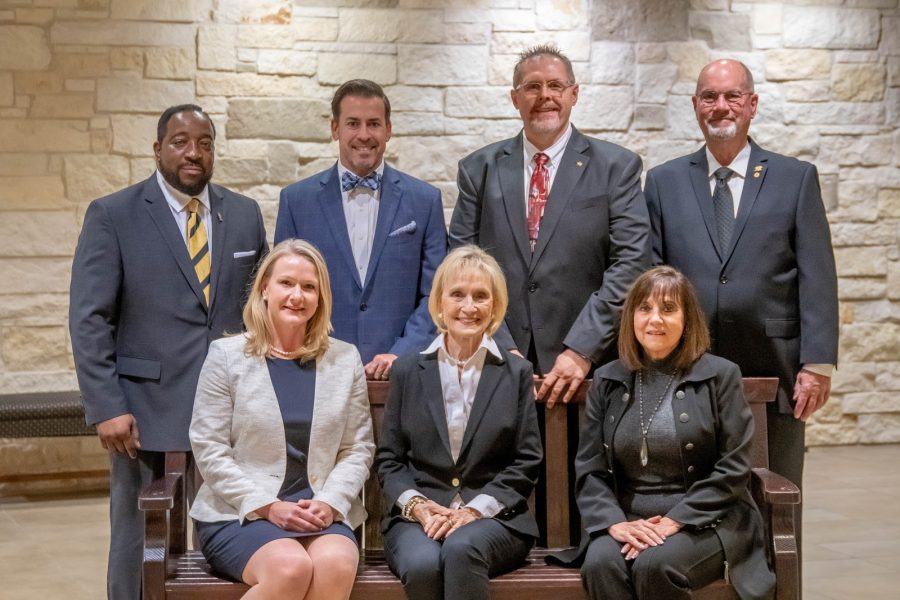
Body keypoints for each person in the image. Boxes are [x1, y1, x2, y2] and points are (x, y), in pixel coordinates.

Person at [68, 104, 268, 599]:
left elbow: (258, 310)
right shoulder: (113, 215)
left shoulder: (243, 215)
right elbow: (90, 319)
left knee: (228, 530)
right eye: (180, 141)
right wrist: (107, 406)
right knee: (138, 540)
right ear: (158, 149)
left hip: (233, 407)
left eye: (204, 142)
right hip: (144, 408)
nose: (193, 152)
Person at [644, 59, 839, 489]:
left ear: (752, 104)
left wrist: (818, 364)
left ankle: (776, 561)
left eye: (732, 96)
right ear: (695, 106)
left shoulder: (795, 178)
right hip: (688, 368)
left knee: (777, 493)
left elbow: (817, 274)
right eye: (709, 97)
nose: (721, 106)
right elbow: (653, 279)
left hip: (776, 366)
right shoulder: (663, 182)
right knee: (695, 493)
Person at [450, 44, 649, 407]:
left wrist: (581, 349)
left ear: (574, 94)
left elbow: (632, 264)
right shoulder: (478, 169)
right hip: (495, 367)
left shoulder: (616, 168)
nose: (545, 96)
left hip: (590, 371)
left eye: (556, 86)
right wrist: (500, 346)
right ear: (515, 98)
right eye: (532, 87)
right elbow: (461, 266)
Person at [190, 239, 375, 599]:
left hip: (319, 510)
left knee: (335, 564)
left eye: (309, 287)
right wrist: (269, 507)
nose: (297, 295)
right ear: (264, 289)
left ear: (320, 298)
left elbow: (357, 448)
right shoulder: (227, 357)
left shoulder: (344, 359)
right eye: (286, 283)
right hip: (241, 512)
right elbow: (209, 448)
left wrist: (331, 502)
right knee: (290, 567)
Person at [575, 266, 775, 600]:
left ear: (687, 319)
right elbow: (590, 469)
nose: (655, 319)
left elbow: (734, 467)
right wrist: (614, 523)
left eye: (668, 309)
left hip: (707, 519)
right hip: (630, 519)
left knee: (654, 565)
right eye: (645, 308)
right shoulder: (609, 380)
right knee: (600, 564)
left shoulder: (721, 376)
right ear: (631, 318)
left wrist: (676, 520)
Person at [375, 245, 543, 600]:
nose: (469, 306)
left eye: (481, 296)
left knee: (460, 550)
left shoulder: (516, 373)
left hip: (496, 519)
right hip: (418, 516)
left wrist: (473, 510)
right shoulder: (407, 370)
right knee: (422, 564)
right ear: (439, 304)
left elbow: (526, 460)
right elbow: (390, 460)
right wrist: (418, 507)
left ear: (495, 306)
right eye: (457, 295)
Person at [275, 79, 447, 380]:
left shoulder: (425, 201)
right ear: (335, 129)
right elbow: (285, 292)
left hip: (404, 374)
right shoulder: (295, 201)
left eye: (374, 124)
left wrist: (402, 352)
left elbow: (438, 292)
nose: (364, 135)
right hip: (317, 369)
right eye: (353, 123)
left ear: (388, 130)